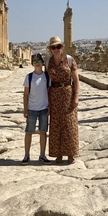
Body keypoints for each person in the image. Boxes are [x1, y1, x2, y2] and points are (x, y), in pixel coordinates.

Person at [45, 36, 79, 164]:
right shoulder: (48, 62)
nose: (56, 49)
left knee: (69, 123)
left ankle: (71, 154)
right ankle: (58, 154)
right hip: (53, 95)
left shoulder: (69, 60)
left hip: (67, 93)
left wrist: (76, 97)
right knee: (55, 124)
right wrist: (46, 102)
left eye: (58, 47)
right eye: (53, 47)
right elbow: (46, 82)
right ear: (50, 49)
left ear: (61, 48)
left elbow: (76, 80)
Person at [22, 53, 50, 164]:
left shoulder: (47, 77)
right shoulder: (29, 77)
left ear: (42, 63)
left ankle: (42, 155)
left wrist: (50, 106)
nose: (37, 63)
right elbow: (26, 94)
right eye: (34, 61)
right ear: (32, 64)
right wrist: (25, 109)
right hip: (32, 109)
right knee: (29, 132)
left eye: (39, 61)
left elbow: (49, 92)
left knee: (43, 132)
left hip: (44, 108)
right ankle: (26, 155)